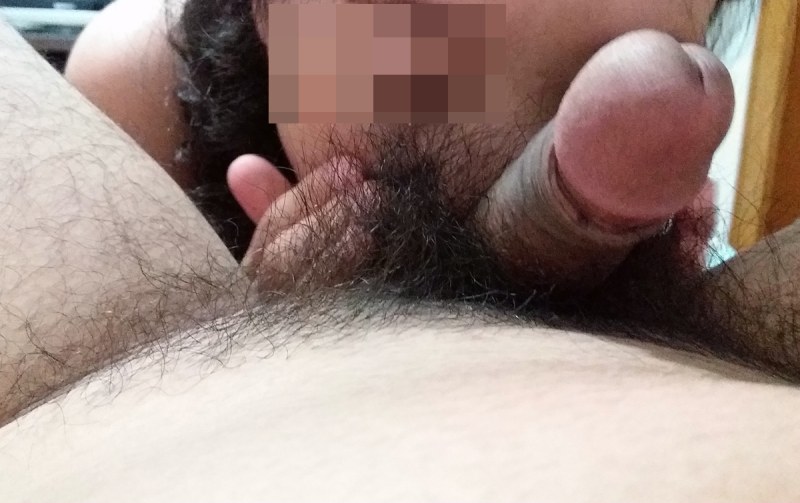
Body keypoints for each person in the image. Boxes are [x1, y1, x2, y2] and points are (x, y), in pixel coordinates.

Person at [4, 1, 800, 501]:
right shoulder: (141, 78)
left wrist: (641, 270)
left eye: (561, 107)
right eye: (408, 60)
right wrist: (236, 319)